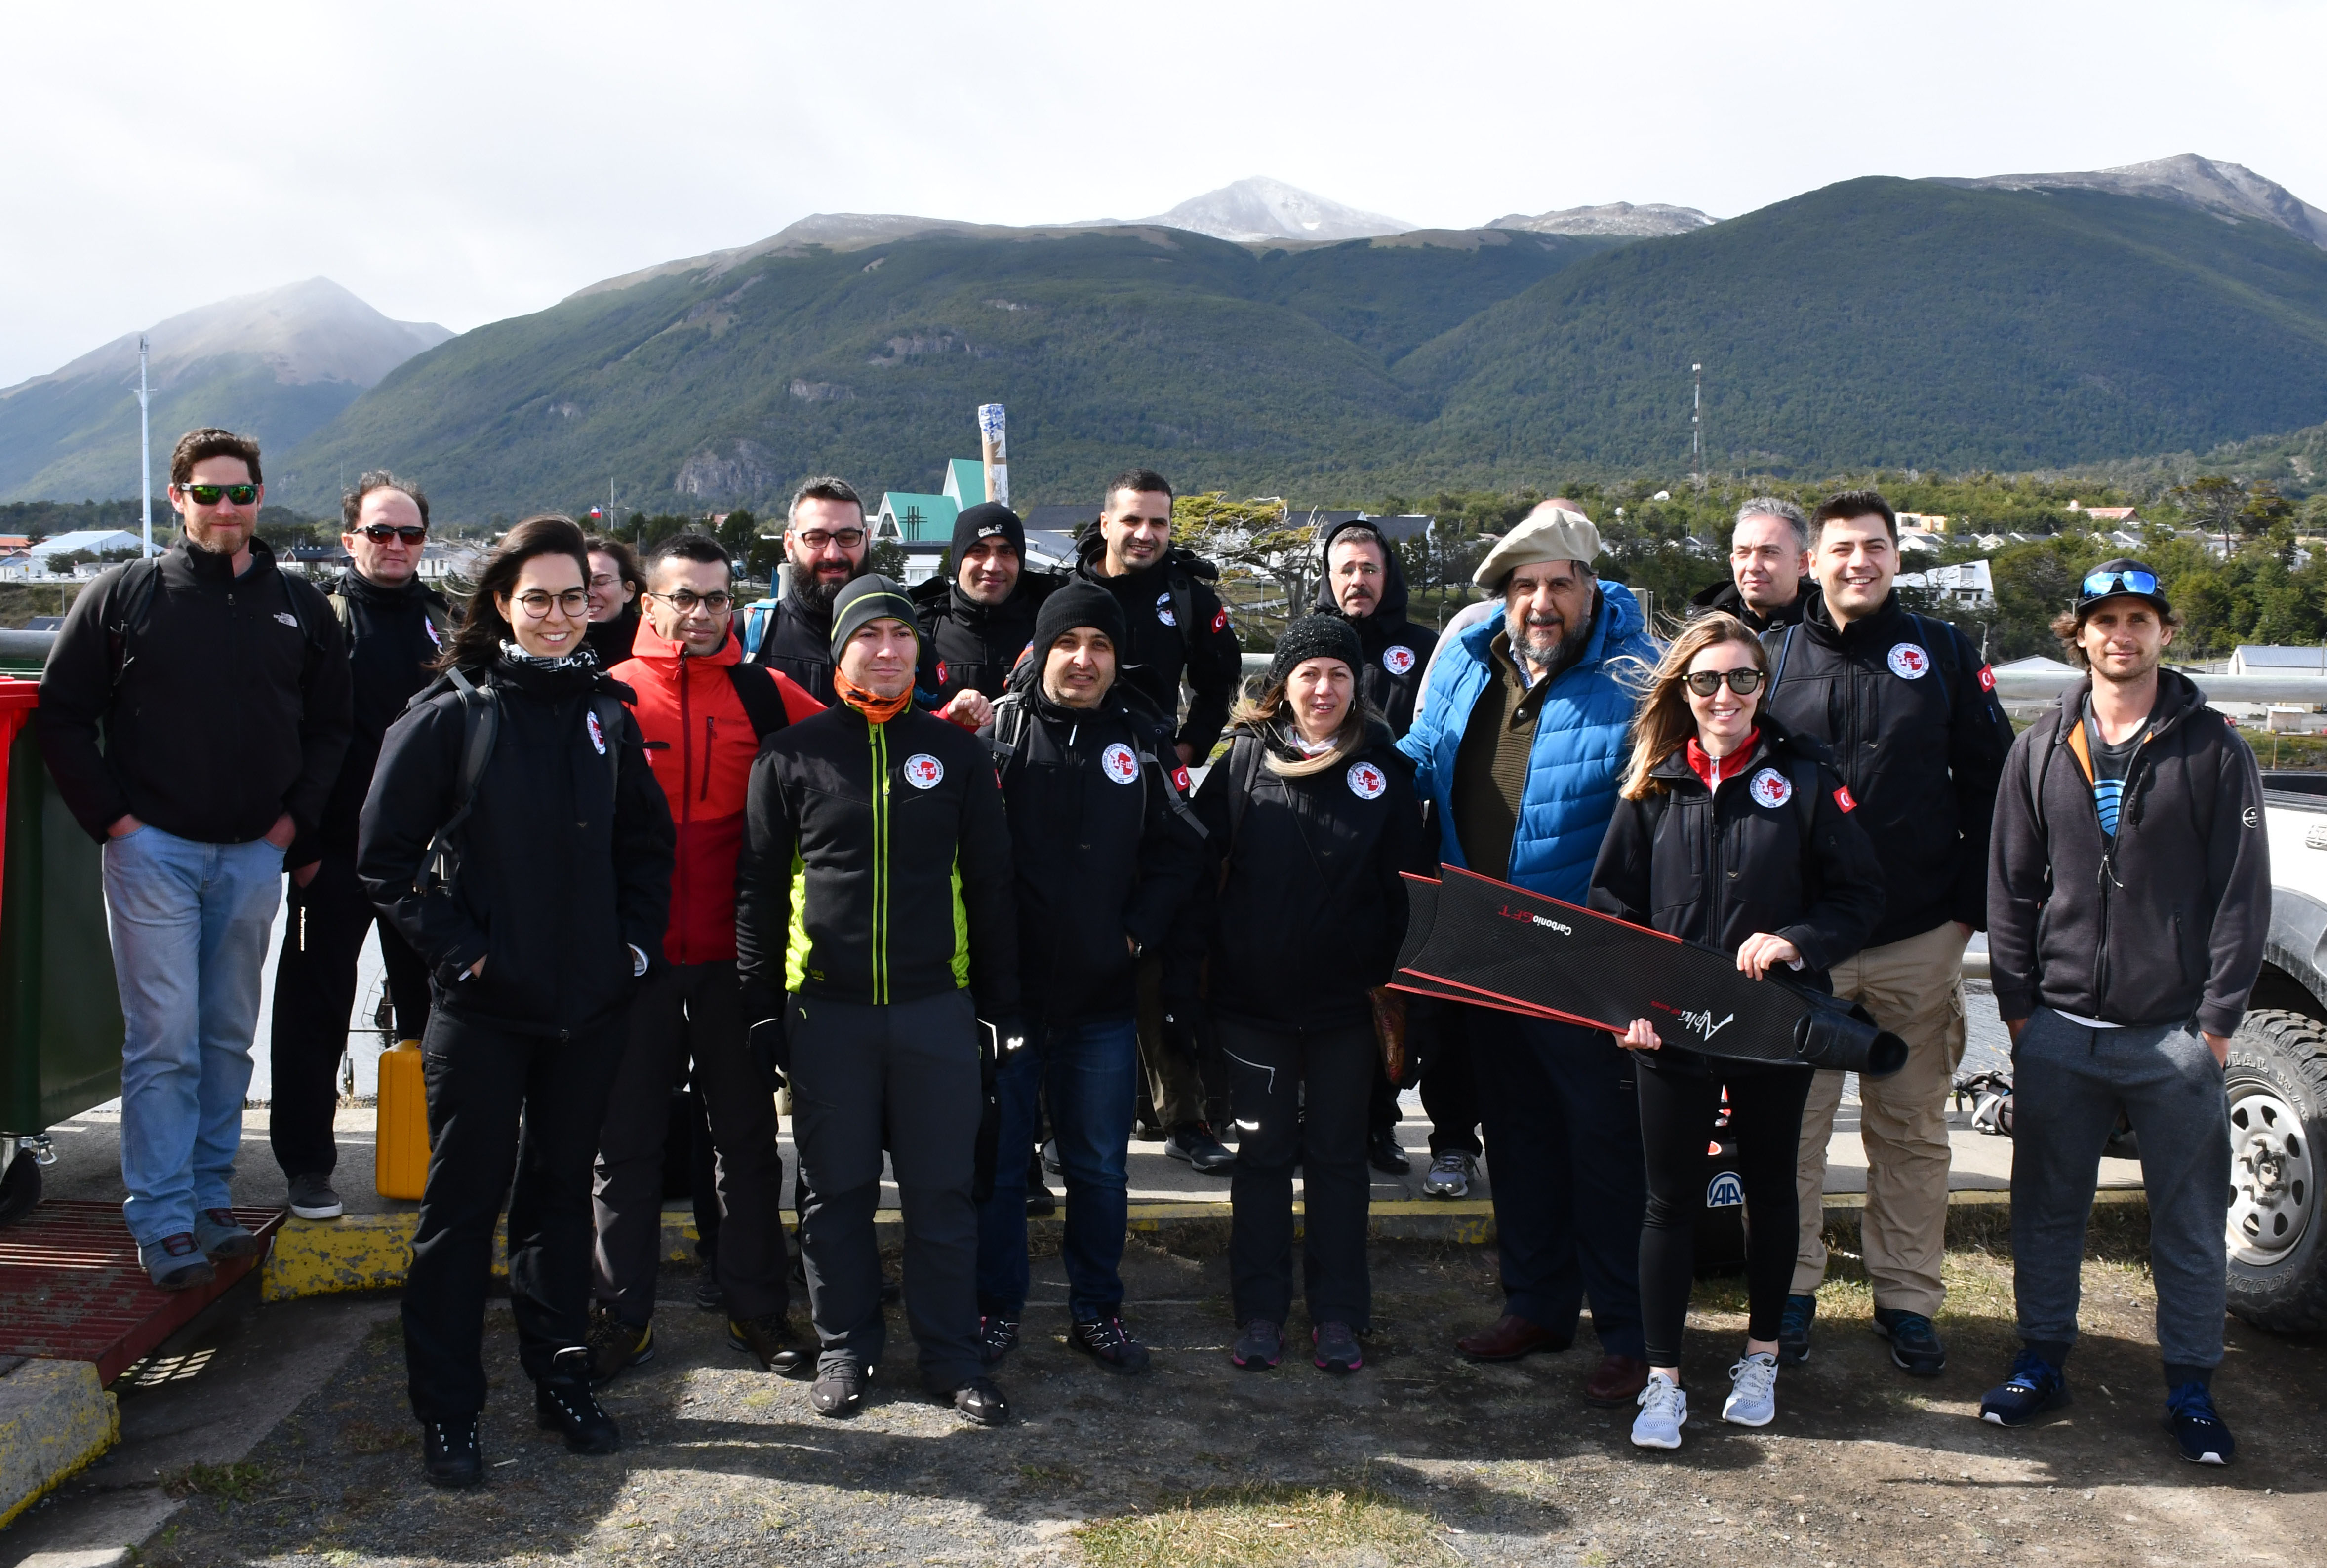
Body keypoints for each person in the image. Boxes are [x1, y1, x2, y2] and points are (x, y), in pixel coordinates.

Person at [359, 515, 674, 1486]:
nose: (555, 615)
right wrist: (470, 958)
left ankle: (560, 1377)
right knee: (460, 1213)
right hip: (485, 1014)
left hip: (587, 1009)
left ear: (597, 604)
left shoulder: (604, 710)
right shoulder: (454, 712)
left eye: (572, 598)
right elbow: (383, 859)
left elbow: (645, 847)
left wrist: (630, 948)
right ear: (502, 603)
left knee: (556, 1205)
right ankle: (449, 1411)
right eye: (535, 598)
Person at [38, 428, 351, 1289]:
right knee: (163, 1039)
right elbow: (61, 717)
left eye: (240, 493)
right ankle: (162, 1214)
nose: (225, 508)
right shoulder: (124, 595)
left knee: (222, 1037)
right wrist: (117, 825)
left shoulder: (300, 604)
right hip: (156, 855)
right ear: (178, 498)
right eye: (207, 493)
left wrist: (294, 826)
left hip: (255, 855)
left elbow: (331, 726)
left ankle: (212, 1199)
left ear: (259, 498)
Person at [1980, 560, 2266, 1465]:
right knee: (2045, 1209)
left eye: (2139, 619)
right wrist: (2021, 1014)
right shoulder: (2038, 744)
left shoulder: (2213, 746)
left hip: (2173, 1034)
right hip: (2060, 1030)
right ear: (2080, 635)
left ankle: (2188, 1387)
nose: (2121, 635)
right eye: (2104, 620)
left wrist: (2214, 1026)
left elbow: (2239, 897)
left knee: (2185, 1219)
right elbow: (2010, 890)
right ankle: (2041, 1360)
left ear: (2165, 633)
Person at [1590, 614, 1885, 1449]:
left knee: (1769, 1189)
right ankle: (1662, 1379)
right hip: (1671, 1029)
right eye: (1706, 681)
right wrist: (1627, 1008)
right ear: (1682, 691)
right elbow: (1610, 911)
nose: (1725, 695)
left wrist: (1797, 940)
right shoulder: (1650, 783)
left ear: (1763, 684)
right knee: (1668, 1199)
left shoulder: (1803, 774)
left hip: (1773, 1023)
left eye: (1742, 679)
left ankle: (1759, 1357)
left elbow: (1857, 896)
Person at [735, 576, 1020, 1426]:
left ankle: (950, 1357)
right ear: (841, 651)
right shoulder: (790, 756)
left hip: (937, 1008)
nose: (887, 651)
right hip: (829, 1015)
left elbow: (992, 887)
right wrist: (758, 1006)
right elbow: (755, 893)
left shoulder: (959, 755)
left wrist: (1000, 1005)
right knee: (834, 1192)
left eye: (901, 636)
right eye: (869, 637)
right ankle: (847, 1348)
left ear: (918, 651)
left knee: (941, 1194)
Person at [1397, 501, 1659, 1407]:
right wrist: (1310, 759)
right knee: (1517, 1137)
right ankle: (1538, 1304)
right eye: (1522, 586)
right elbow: (1417, 758)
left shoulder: (1638, 677)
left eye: (1557, 583)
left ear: (1591, 586)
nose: (1539, 602)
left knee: (1605, 1150)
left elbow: (1662, 827)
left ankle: (1628, 1334)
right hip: (1482, 947)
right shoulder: (1468, 662)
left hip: (1586, 957)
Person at [1760, 490, 2014, 1375]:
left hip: (1917, 934)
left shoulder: (1941, 653)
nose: (1857, 562)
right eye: (1840, 549)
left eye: (1874, 547)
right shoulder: (1769, 656)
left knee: (1907, 1130)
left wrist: (1962, 913)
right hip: (1805, 943)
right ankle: (1787, 1290)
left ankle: (1905, 1297)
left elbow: (1994, 786)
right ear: (1811, 563)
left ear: (1895, 559)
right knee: (1792, 1129)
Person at [591, 532, 823, 1386]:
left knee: (749, 1141)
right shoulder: (607, 697)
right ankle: (621, 1316)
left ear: (735, 604)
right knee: (625, 1147)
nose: (698, 614)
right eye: (681, 597)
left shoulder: (764, 695)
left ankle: (757, 1310)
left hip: (735, 959)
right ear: (645, 604)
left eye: (715, 599)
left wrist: (954, 727)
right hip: (637, 961)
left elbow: (859, 734)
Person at [1169, 615, 1429, 1373]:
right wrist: (1188, 986)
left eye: (1339, 676)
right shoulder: (1245, 762)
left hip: (1349, 1011)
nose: (1324, 689)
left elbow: (1412, 899)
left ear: (1359, 687)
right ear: (1282, 685)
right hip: (1253, 1008)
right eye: (1310, 674)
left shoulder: (1386, 769)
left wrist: (1408, 1000)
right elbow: (1197, 880)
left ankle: (1340, 1313)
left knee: (1339, 1161)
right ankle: (1258, 1311)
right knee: (1261, 1158)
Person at [973, 580, 1205, 1373]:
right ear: (1041, 650)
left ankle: (1097, 1311)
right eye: (1068, 644)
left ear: (1115, 660)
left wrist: (1138, 931)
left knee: (1101, 1169)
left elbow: (1182, 852)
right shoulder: (996, 738)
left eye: (1099, 646)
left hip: (1103, 1001)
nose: (1083, 660)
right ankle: (995, 1309)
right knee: (1001, 1169)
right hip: (1005, 999)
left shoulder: (1139, 743)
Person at [268, 471, 452, 1221]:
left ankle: (441, 1159)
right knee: (313, 1013)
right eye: (381, 532)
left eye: (410, 534)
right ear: (350, 541)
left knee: (436, 1019)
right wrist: (303, 847)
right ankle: (308, 1167)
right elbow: (285, 733)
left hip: (424, 862)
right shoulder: (318, 618)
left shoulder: (450, 621)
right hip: (333, 857)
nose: (397, 546)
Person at [1073, 470, 1243, 1173]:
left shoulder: (1189, 598)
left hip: (1155, 793)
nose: (1145, 535)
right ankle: (1067, 1123)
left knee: (1166, 947)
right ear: (1106, 523)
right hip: (1077, 794)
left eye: (1159, 523)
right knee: (1077, 947)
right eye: (1133, 521)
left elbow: (1219, 684)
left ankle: (1184, 1114)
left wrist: (1184, 750)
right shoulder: (1067, 595)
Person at [1314, 518, 1441, 1182]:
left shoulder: (1424, 647)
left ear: (1387, 575)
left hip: (1396, 838)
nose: (1357, 581)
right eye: (1346, 569)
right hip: (1321, 844)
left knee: (1389, 998)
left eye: (1369, 568)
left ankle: (1380, 1122)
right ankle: (1325, 1122)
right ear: (1328, 578)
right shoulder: (1305, 646)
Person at [914, 501, 1059, 705]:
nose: (993, 566)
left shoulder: (1052, 627)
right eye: (979, 551)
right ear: (957, 560)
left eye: (1006, 552)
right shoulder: (920, 631)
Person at [743, 476, 871, 707]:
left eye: (848, 538)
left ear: (867, 541)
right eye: (816, 539)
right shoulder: (743, 639)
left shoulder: (905, 645)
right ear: (790, 546)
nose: (833, 554)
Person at [1687, 498, 1811, 633]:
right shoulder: (1702, 634)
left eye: (1769, 553)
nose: (1752, 566)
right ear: (1733, 562)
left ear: (1802, 564)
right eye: (1743, 554)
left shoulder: (1830, 635)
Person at [583, 536, 643, 667]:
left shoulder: (653, 646)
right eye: (580, 584)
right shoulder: (550, 650)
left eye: (601, 582)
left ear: (629, 590)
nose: (589, 593)